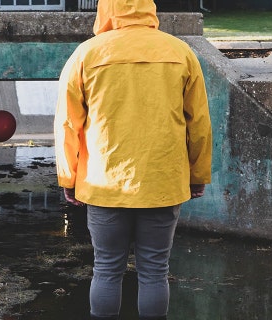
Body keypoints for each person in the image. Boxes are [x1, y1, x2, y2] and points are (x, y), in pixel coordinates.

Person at [53, 0, 212, 318]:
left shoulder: (87, 54)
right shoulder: (179, 52)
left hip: (103, 182)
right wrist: (198, 175)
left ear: (106, 10)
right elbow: (199, 124)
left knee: (107, 269)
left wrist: (68, 178)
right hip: (162, 182)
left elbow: (68, 124)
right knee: (155, 270)